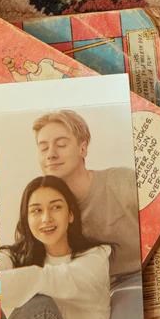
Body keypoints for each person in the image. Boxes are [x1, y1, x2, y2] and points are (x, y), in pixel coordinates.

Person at [31, 111, 140, 283]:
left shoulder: (122, 181)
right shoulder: (40, 209)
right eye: (43, 148)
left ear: (83, 148)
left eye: (61, 144)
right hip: (92, 290)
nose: (50, 154)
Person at [0, 176, 111, 319]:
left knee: (40, 307)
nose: (46, 218)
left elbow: (42, 279)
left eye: (56, 207)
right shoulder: (16, 256)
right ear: (27, 219)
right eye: (37, 210)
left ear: (70, 214)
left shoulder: (95, 258)